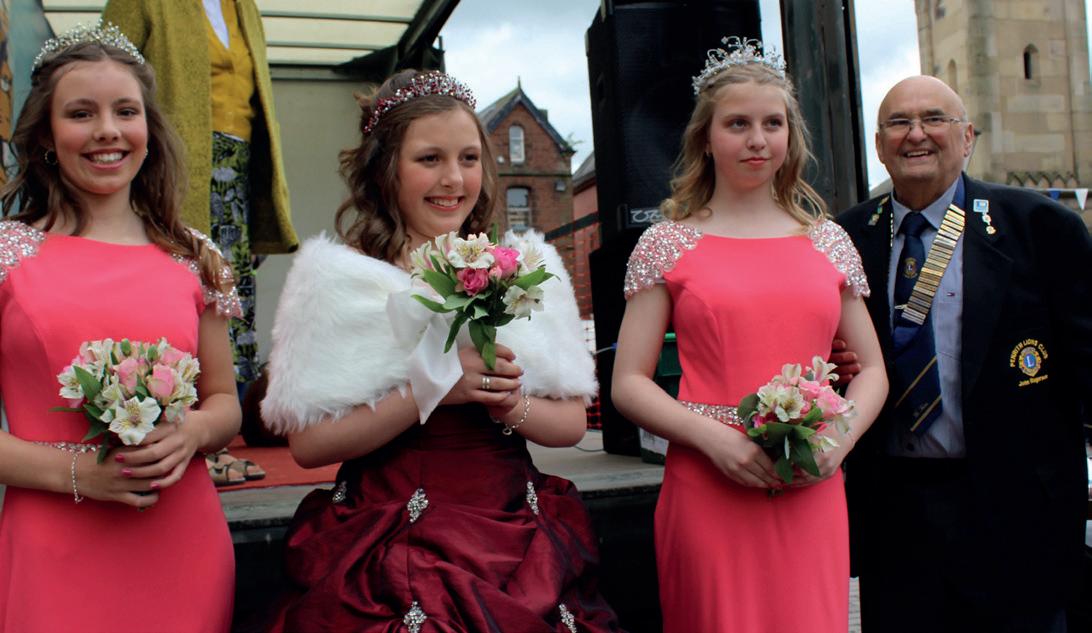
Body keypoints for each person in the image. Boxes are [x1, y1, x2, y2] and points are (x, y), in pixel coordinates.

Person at [259, 69, 623, 632]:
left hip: (510, 523)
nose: (453, 178)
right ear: (385, 168)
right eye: (429, 159)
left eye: (469, 158)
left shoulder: (525, 270)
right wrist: (431, 390)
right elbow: (309, 446)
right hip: (387, 529)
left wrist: (510, 403)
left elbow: (571, 424)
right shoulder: (338, 281)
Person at [611, 37, 888, 633]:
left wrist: (837, 441)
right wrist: (715, 440)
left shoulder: (828, 240)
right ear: (706, 138)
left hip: (810, 483)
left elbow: (872, 371)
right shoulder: (667, 243)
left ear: (790, 136)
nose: (757, 139)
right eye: (738, 124)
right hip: (708, 482)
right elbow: (628, 382)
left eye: (772, 123)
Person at [0, 23, 242, 632]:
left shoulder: (196, 257)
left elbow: (224, 402)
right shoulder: (6, 256)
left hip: (180, 545)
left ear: (148, 130)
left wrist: (192, 432)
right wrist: (79, 474)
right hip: (53, 545)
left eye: (125, 111)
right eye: (81, 113)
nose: (107, 129)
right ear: (47, 134)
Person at [837, 75, 1091, 633]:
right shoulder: (845, 238)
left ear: (967, 136)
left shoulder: (1040, 227)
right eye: (898, 123)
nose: (916, 134)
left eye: (934, 119)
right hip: (897, 521)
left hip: (1020, 517)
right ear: (878, 145)